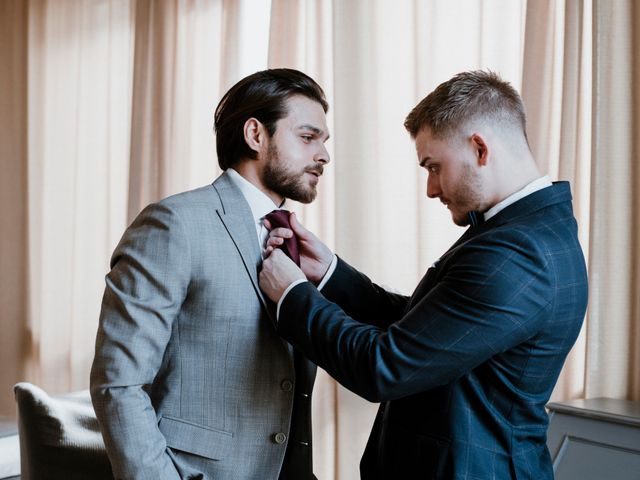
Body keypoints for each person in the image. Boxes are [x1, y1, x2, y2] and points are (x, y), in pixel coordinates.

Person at [259, 70, 588, 479]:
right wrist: (330, 273)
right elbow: (429, 328)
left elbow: (384, 365)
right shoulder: (522, 230)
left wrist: (291, 293)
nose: (431, 189)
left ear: (480, 149)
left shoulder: (518, 252)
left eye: (434, 166)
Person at [90, 68, 330, 479]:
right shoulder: (174, 224)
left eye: (324, 142)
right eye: (308, 138)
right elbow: (119, 383)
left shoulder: (297, 242)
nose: (323, 155)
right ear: (256, 135)